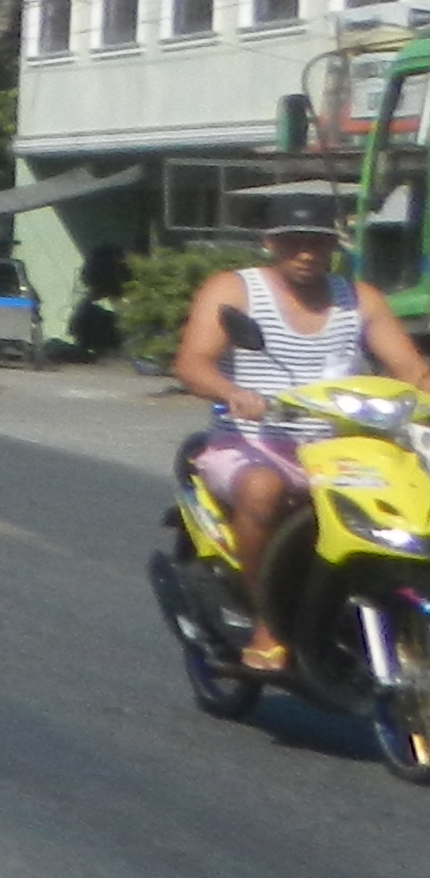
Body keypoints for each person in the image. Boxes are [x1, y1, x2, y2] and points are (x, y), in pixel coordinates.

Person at [171, 213, 430, 672]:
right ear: (271, 242)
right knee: (263, 489)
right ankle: (267, 622)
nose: (307, 253)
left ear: (335, 246)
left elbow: (411, 371)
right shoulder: (234, 290)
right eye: (294, 242)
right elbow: (193, 363)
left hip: (341, 451)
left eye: (318, 242)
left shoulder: (360, 299)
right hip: (252, 441)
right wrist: (235, 394)